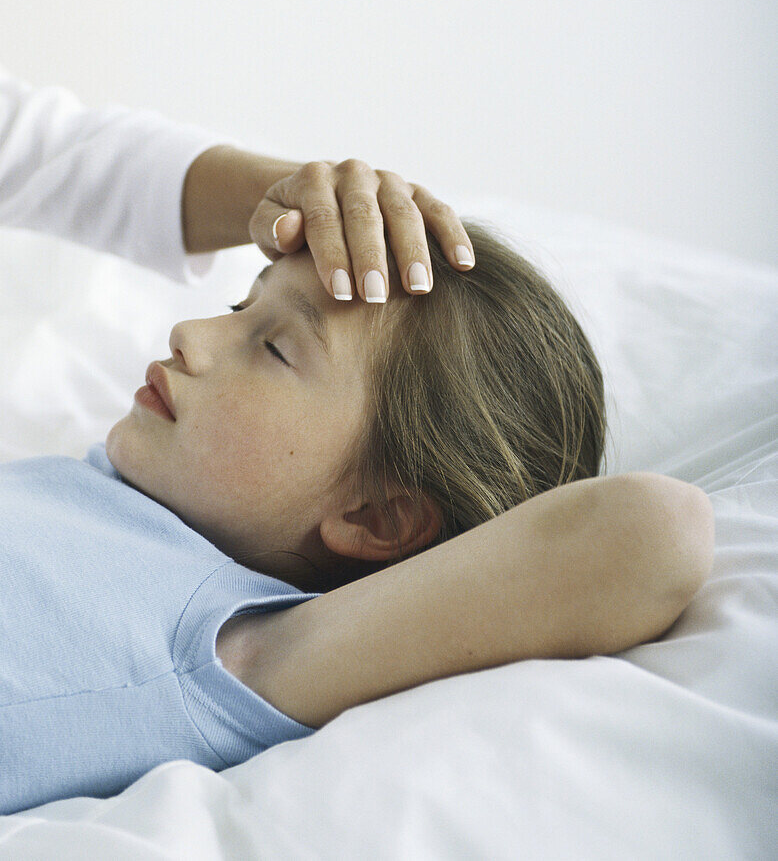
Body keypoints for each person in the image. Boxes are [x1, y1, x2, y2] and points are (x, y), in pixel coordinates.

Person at [0, 68, 715, 814]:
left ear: (379, 517)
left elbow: (657, 530)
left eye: (274, 347)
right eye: (240, 305)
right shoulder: (103, 489)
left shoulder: (239, 652)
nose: (191, 333)